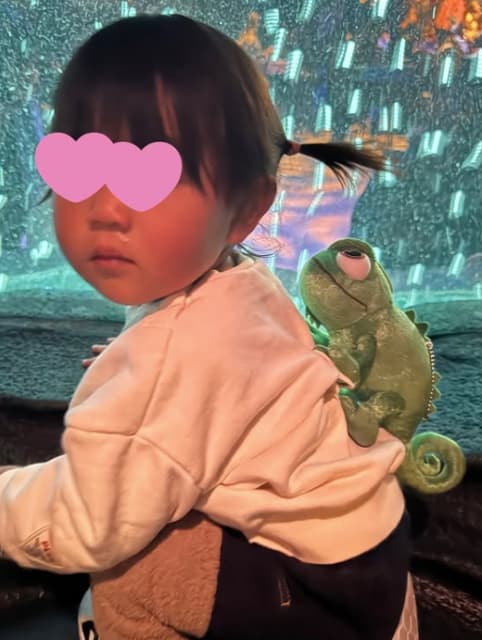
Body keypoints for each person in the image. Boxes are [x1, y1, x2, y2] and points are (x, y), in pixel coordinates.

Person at [0, 13, 410, 639]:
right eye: (79, 168)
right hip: (369, 560)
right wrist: (147, 364)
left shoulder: (176, 357)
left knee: (133, 563)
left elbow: (85, 522)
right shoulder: (242, 282)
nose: (105, 210)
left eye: (147, 178)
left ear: (246, 211)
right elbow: (220, 372)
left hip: (316, 602)